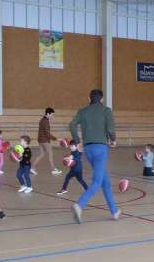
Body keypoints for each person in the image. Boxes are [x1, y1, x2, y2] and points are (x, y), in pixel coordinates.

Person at [68, 89, 120, 224]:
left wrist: (77, 142)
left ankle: (114, 211)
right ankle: (79, 205)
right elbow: (110, 129)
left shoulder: (83, 111)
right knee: (97, 182)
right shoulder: (106, 111)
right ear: (102, 99)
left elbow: (72, 125)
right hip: (101, 149)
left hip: (88, 149)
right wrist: (113, 140)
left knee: (105, 181)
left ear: (89, 98)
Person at [33, 107, 61, 175]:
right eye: (52, 114)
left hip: (40, 140)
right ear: (48, 114)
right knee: (50, 154)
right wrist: (56, 139)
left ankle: (32, 167)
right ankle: (53, 169)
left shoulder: (42, 120)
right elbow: (47, 133)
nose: (52, 116)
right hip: (45, 140)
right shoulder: (45, 121)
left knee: (41, 154)